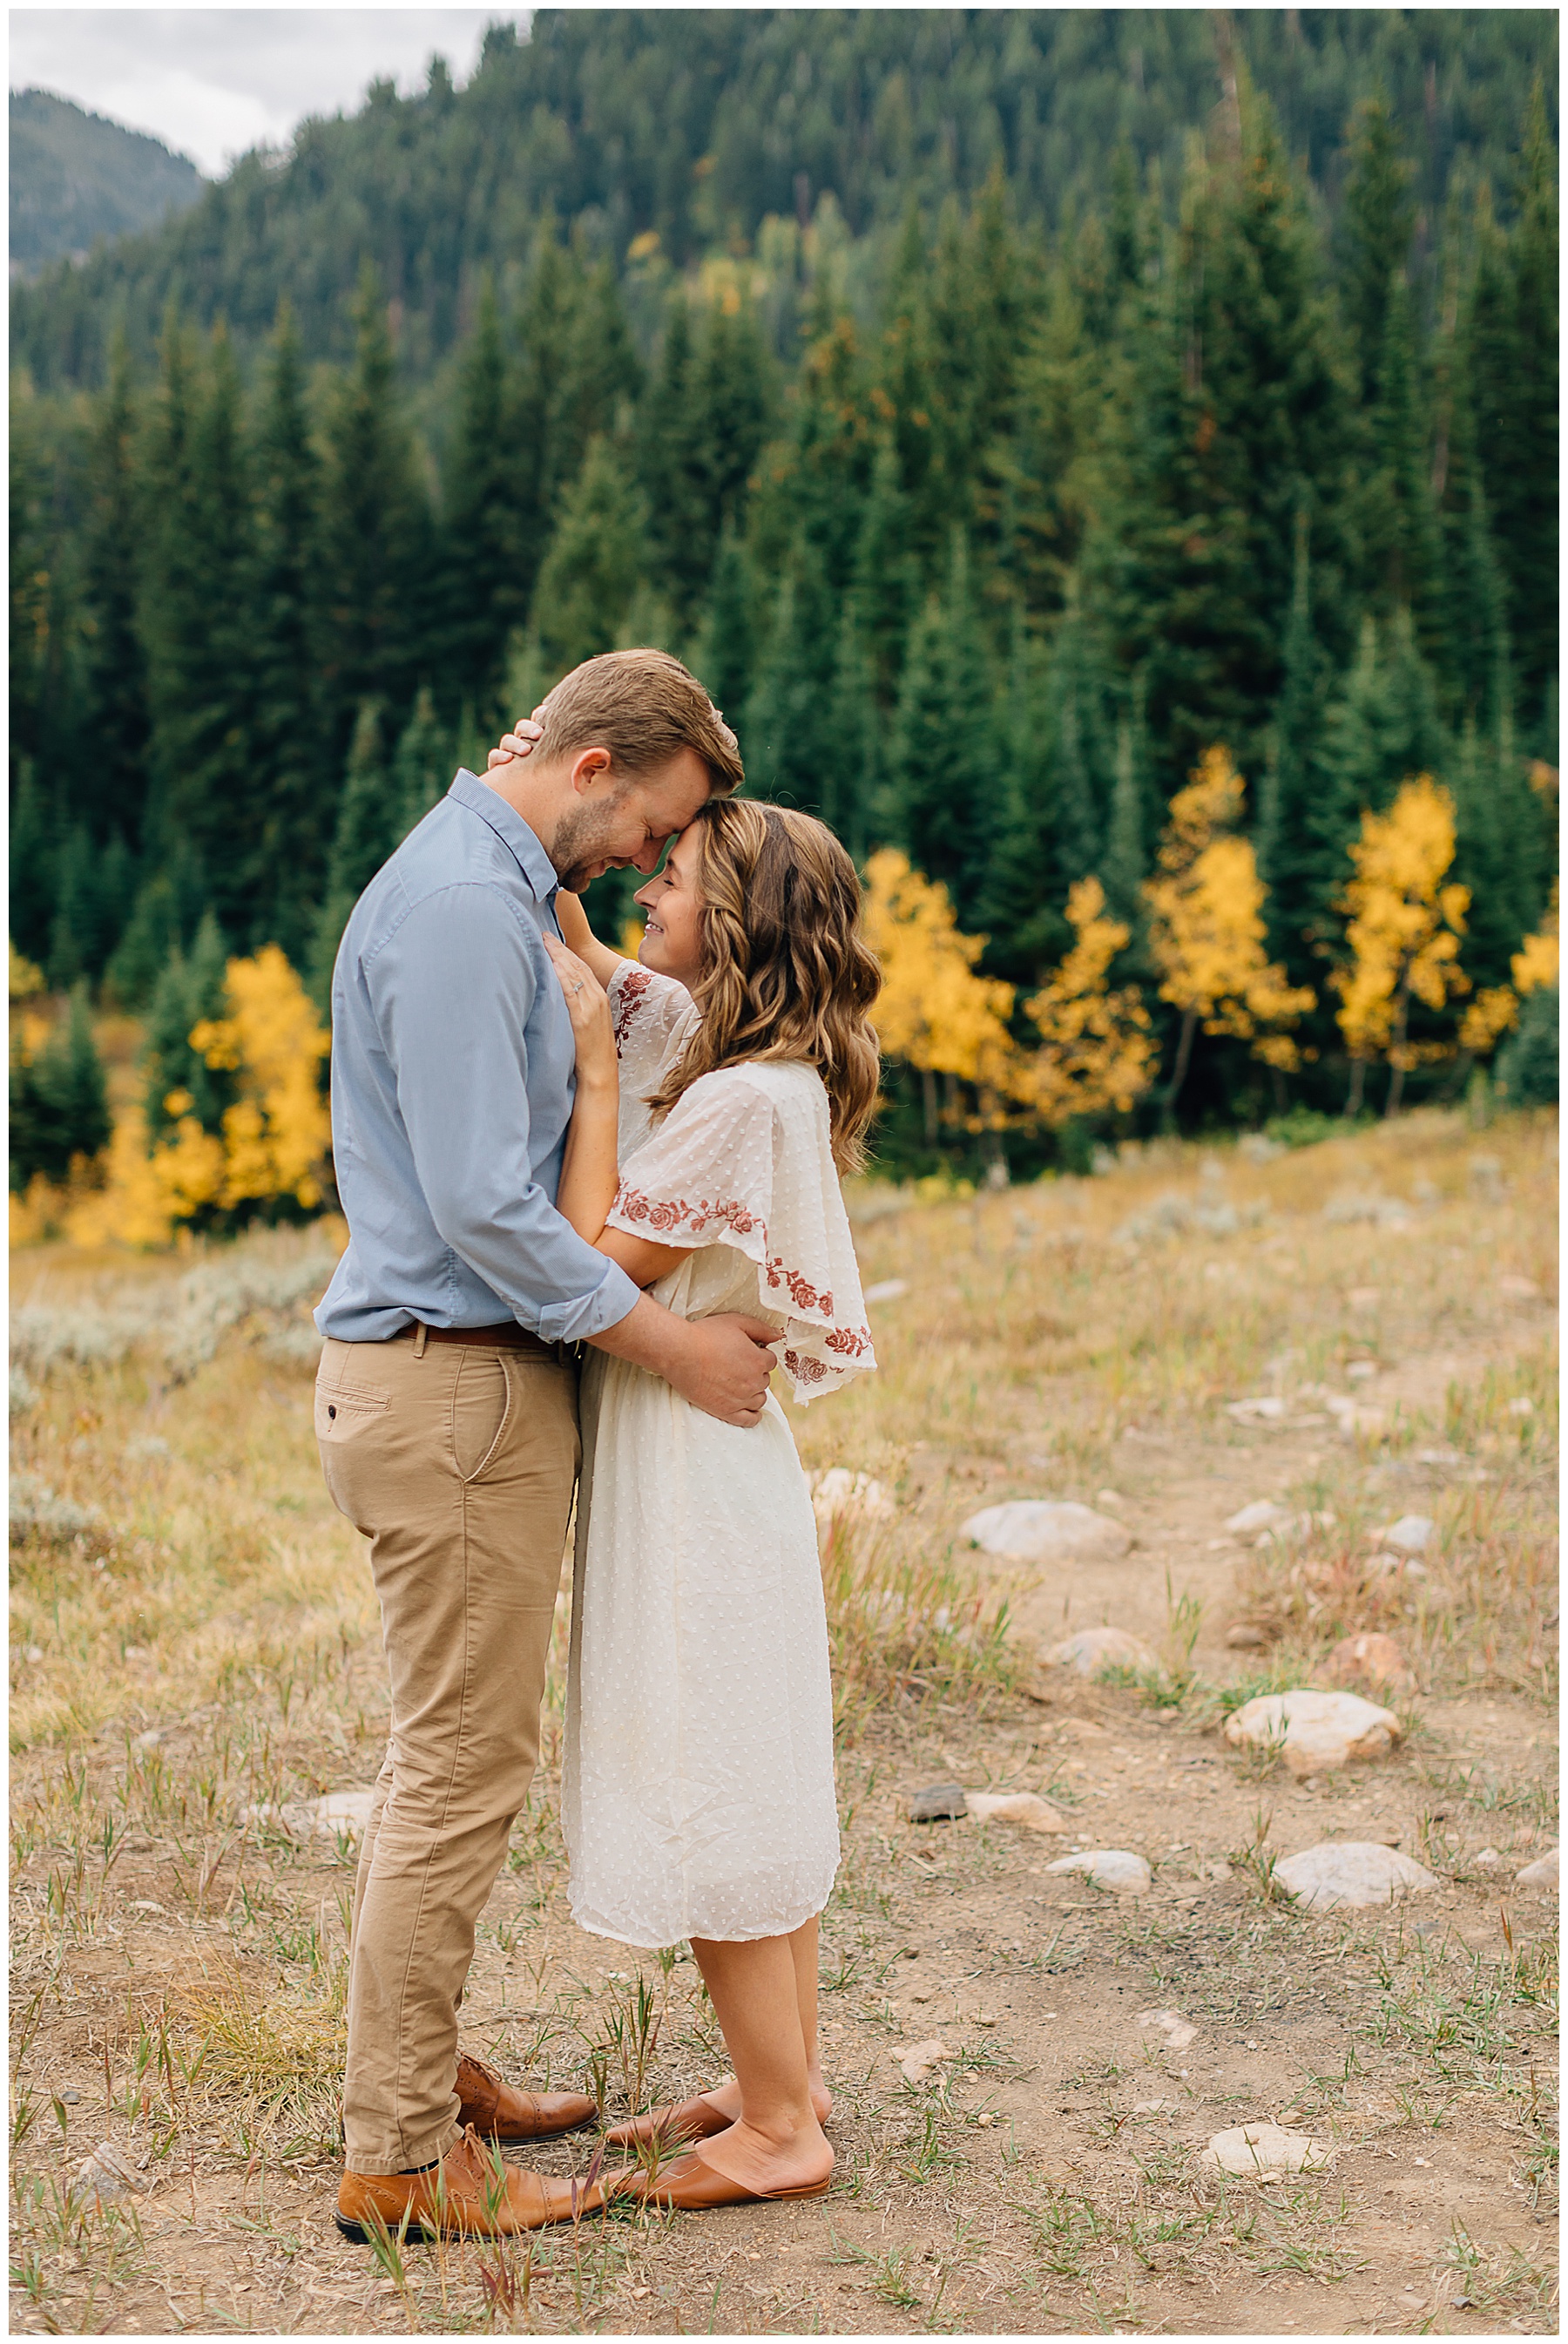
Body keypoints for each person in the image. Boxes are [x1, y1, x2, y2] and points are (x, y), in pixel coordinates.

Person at [314, 650, 785, 2244]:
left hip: (460, 1384)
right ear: (593, 768)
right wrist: (676, 1347)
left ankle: (427, 2073)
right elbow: (481, 1209)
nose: (657, 858)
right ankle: (398, 2156)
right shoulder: (462, 906)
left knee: (446, 1749)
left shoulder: (501, 886)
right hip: (454, 1388)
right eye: (655, 822)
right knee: (461, 1767)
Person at [539, 796, 881, 2210]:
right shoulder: (762, 1067)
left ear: (734, 918)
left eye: (668, 876)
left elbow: (579, 1264)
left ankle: (784, 2131)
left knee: (714, 1781)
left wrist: (595, 1086)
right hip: (717, 1464)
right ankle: (773, 2080)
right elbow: (613, 975)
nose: (644, 890)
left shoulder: (734, 1099)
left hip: (689, 1473)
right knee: (754, 1767)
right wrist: (544, 856)